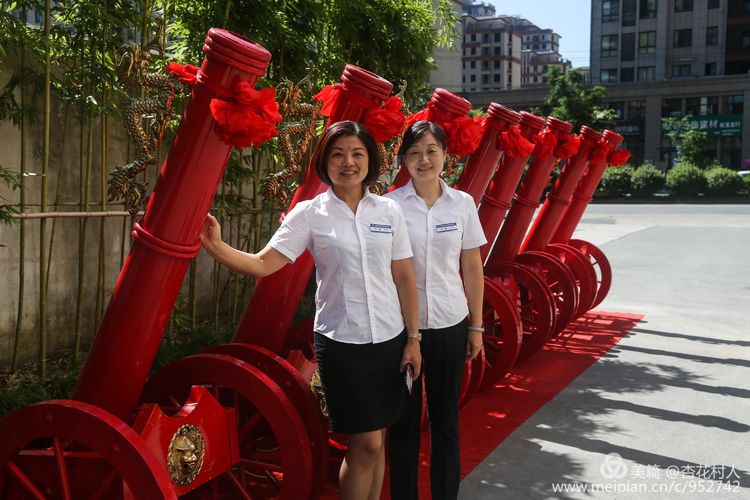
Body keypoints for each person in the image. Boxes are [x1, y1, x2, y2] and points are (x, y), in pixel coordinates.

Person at [199, 120, 422, 500]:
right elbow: (263, 263)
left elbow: (404, 276)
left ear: (370, 160)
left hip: (389, 339)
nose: (348, 162)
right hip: (342, 343)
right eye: (338, 154)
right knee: (365, 442)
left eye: (357, 153)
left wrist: (413, 339)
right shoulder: (310, 213)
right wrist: (217, 247)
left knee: (379, 437)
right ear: (324, 161)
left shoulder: (388, 211)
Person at [386, 120, 486, 500]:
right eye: (414, 152)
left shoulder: (463, 204)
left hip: (449, 325)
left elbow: (472, 267)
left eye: (431, 151)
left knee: (446, 423)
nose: (423, 160)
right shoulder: (390, 206)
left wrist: (476, 327)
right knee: (404, 426)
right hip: (401, 330)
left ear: (446, 155)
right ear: (404, 159)